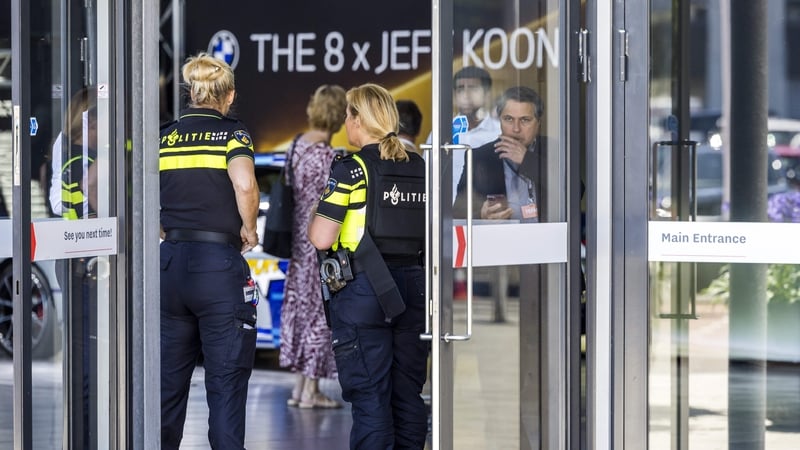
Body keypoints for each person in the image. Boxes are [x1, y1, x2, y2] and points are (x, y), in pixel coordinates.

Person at [308, 83, 430, 449]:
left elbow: (321, 237)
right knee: (407, 396)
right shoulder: (420, 167)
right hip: (415, 290)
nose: (346, 122)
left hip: (366, 293)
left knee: (371, 399)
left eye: (348, 115)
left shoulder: (352, 170)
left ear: (359, 120)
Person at [159, 52, 260, 450]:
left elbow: (142, 193)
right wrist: (248, 229)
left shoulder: (165, 135)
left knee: (167, 384)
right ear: (229, 96)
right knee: (226, 383)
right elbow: (246, 185)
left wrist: (164, 227)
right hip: (218, 268)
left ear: (191, 92)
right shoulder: (232, 134)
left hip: (171, 264)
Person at [280, 84, 347, 409]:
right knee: (320, 312)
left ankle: (299, 388)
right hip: (319, 243)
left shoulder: (296, 146)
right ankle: (311, 391)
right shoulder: (328, 157)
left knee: (300, 309)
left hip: (297, 242)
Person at [453, 85, 548, 222]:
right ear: (499, 121)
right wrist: (481, 214)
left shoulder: (554, 149)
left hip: (547, 238)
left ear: (538, 123)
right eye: (508, 119)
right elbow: (457, 211)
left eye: (525, 120)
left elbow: (576, 192)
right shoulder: (480, 156)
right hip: (499, 240)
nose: (516, 129)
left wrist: (528, 160)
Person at [426, 66, 501, 200]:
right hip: (445, 216)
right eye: (460, 89)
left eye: (473, 88)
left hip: (489, 215)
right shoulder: (441, 132)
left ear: (487, 93)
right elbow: (427, 176)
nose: (466, 95)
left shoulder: (499, 132)